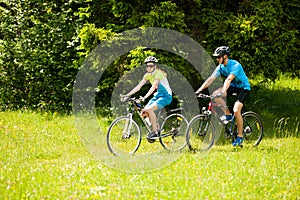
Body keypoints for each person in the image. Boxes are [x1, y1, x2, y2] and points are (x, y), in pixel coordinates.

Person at [195, 46, 251, 147]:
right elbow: (211, 79)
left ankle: (240, 137)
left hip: (243, 88)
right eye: (216, 57)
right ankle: (228, 114)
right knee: (215, 94)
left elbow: (229, 79)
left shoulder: (235, 65)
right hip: (233, 87)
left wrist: (224, 91)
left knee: (236, 110)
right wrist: (199, 90)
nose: (217, 59)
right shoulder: (221, 67)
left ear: (225, 56)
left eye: (219, 57)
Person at [122, 56, 172, 141]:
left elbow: (154, 87)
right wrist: (127, 95)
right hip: (157, 95)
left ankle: (155, 132)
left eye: (151, 66)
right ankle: (156, 127)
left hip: (166, 96)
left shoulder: (158, 73)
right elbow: (139, 86)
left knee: (149, 110)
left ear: (155, 66)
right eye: (147, 66)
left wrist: (144, 98)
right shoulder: (147, 75)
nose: (149, 67)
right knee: (144, 112)